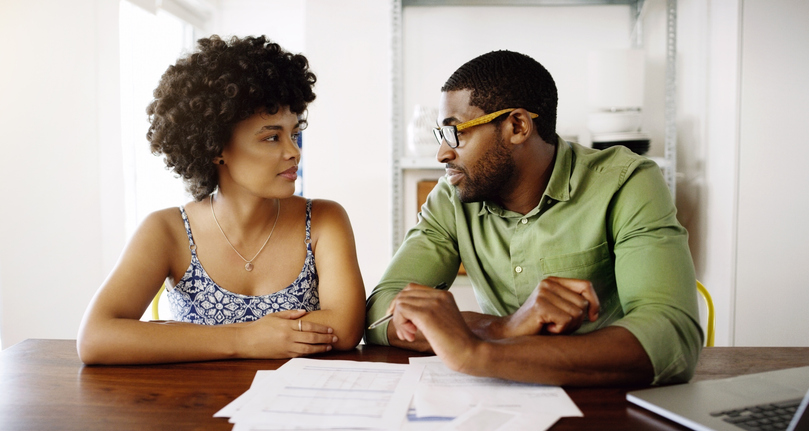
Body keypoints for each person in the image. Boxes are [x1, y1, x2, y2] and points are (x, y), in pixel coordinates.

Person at [365, 50, 702, 386]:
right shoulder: (451, 198)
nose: (442, 153)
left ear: (517, 126)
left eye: (456, 133)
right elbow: (381, 312)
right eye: (441, 135)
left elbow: (671, 336)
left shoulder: (626, 182)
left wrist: (477, 353)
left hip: (611, 400)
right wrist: (504, 327)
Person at [78, 35, 366, 364]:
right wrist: (245, 339)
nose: (293, 151)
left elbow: (344, 327)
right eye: (272, 137)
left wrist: (175, 337)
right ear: (216, 148)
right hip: (198, 409)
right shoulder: (167, 230)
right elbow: (96, 337)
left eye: (293, 133)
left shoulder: (324, 220)